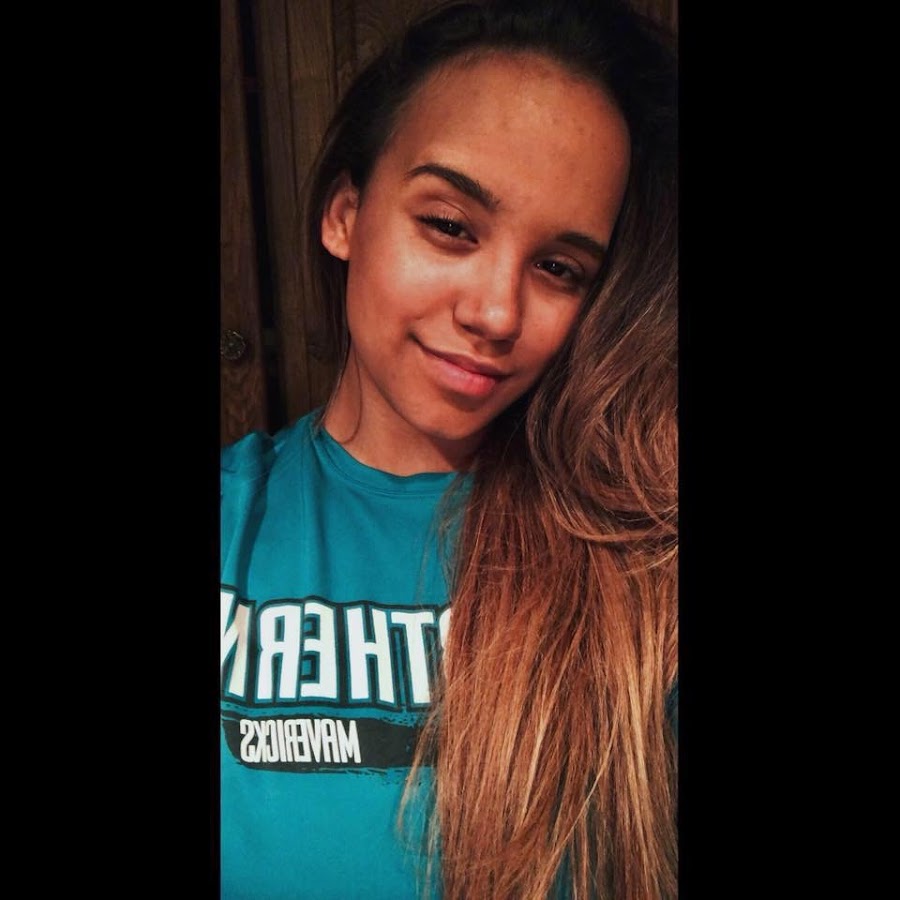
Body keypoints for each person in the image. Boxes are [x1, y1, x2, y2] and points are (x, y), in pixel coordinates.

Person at [220, 0, 678, 897]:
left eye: (559, 268)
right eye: (451, 226)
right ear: (345, 214)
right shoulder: (236, 519)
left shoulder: (639, 558)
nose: (497, 312)